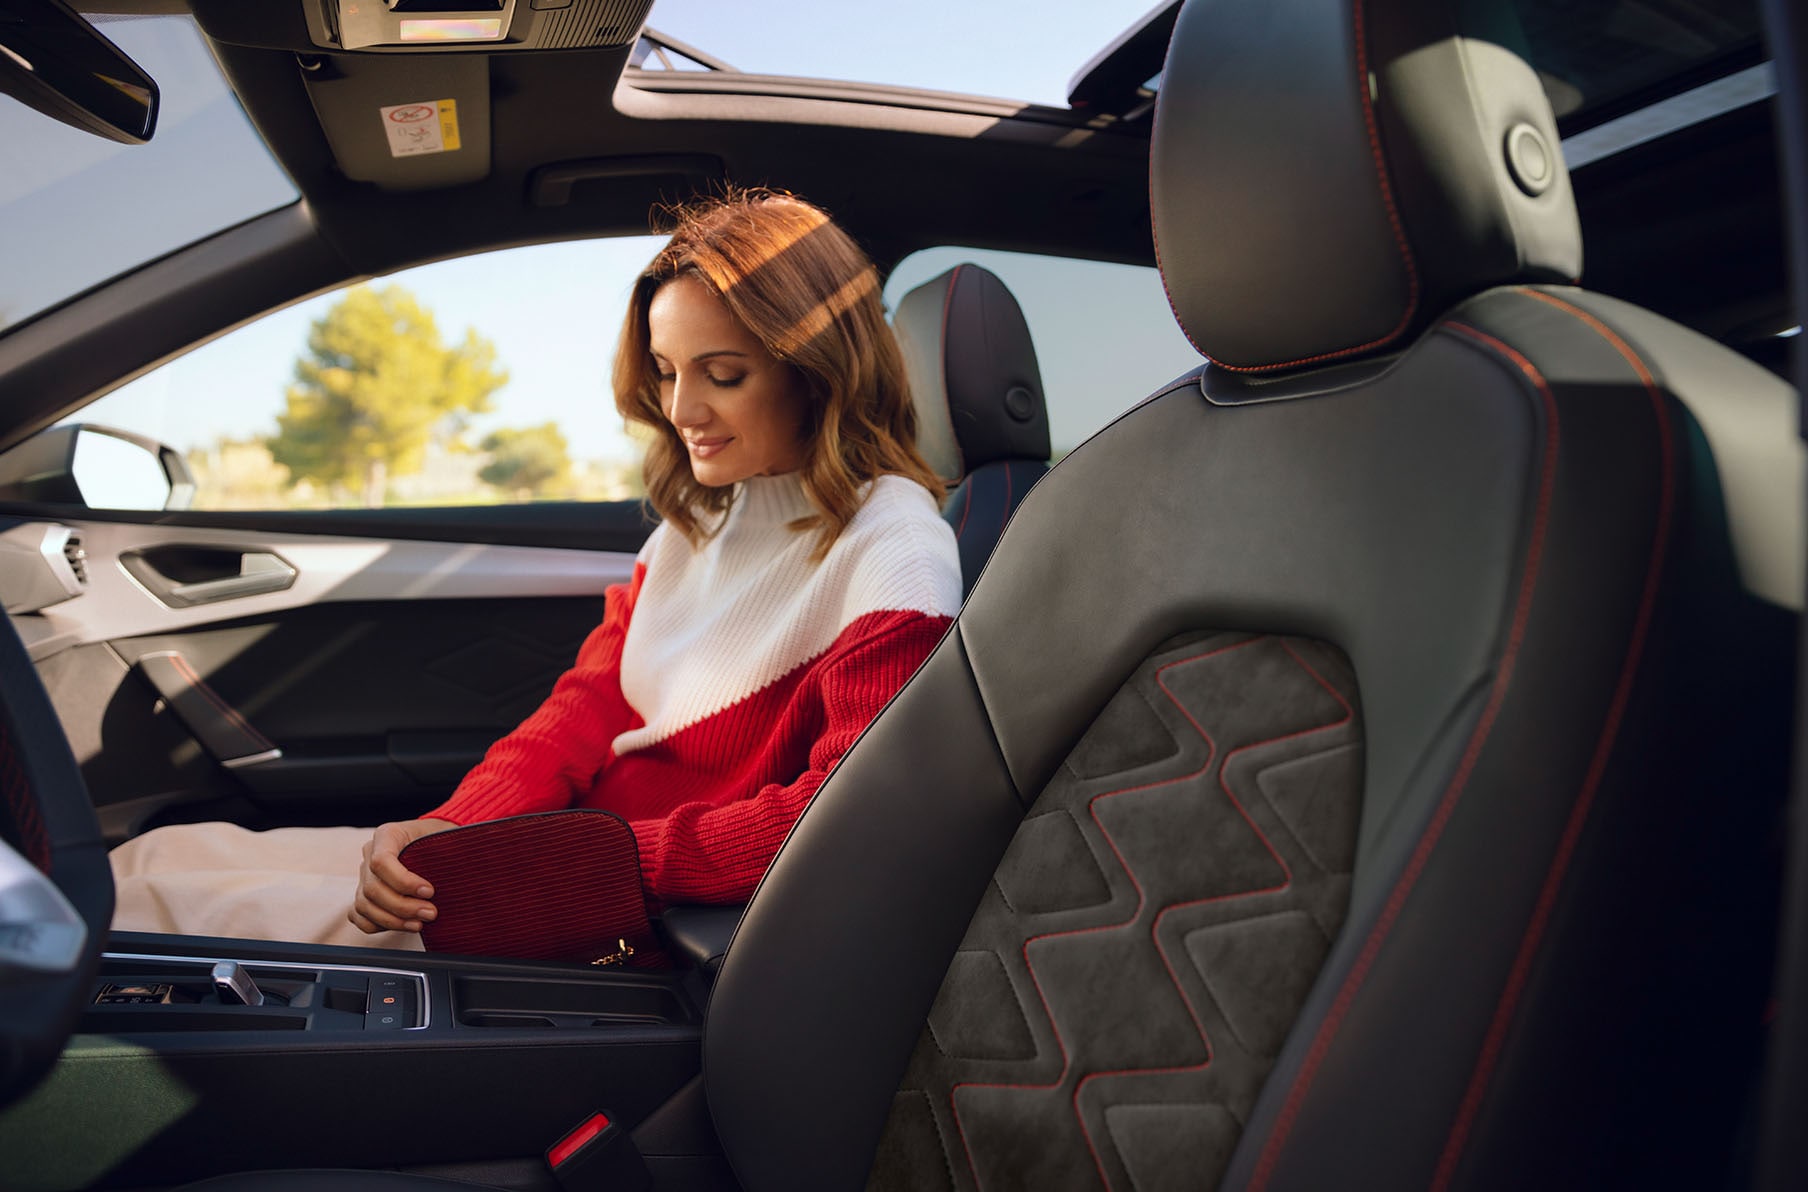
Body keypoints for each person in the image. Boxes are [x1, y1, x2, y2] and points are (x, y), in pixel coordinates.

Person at [109, 190, 962, 950]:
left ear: (819, 373)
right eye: (665, 373)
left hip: (613, 899)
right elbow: (582, 712)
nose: (680, 411)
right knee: (154, 859)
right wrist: (452, 826)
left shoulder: (892, 550)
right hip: (562, 850)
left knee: (150, 917)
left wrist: (582, 862)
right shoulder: (701, 522)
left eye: (724, 375)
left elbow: (847, 812)